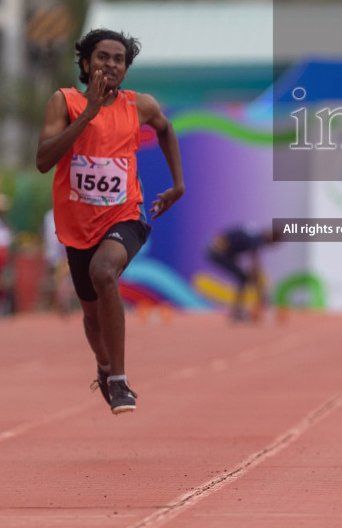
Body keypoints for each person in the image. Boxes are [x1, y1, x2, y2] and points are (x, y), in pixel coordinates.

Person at [37, 28, 185, 415]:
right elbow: (43, 160)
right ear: (86, 64)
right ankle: (104, 366)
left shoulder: (141, 106)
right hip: (77, 225)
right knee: (91, 315)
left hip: (125, 214)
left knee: (105, 273)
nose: (111, 64)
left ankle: (119, 380)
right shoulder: (64, 102)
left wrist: (178, 184)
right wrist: (87, 115)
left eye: (119, 59)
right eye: (103, 57)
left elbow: (166, 130)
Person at [207, 224, 277, 322]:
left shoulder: (255, 233)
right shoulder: (256, 239)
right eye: (274, 243)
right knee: (242, 278)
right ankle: (236, 311)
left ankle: (237, 310)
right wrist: (262, 294)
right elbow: (255, 264)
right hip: (217, 252)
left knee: (244, 278)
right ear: (271, 238)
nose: (272, 246)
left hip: (223, 252)